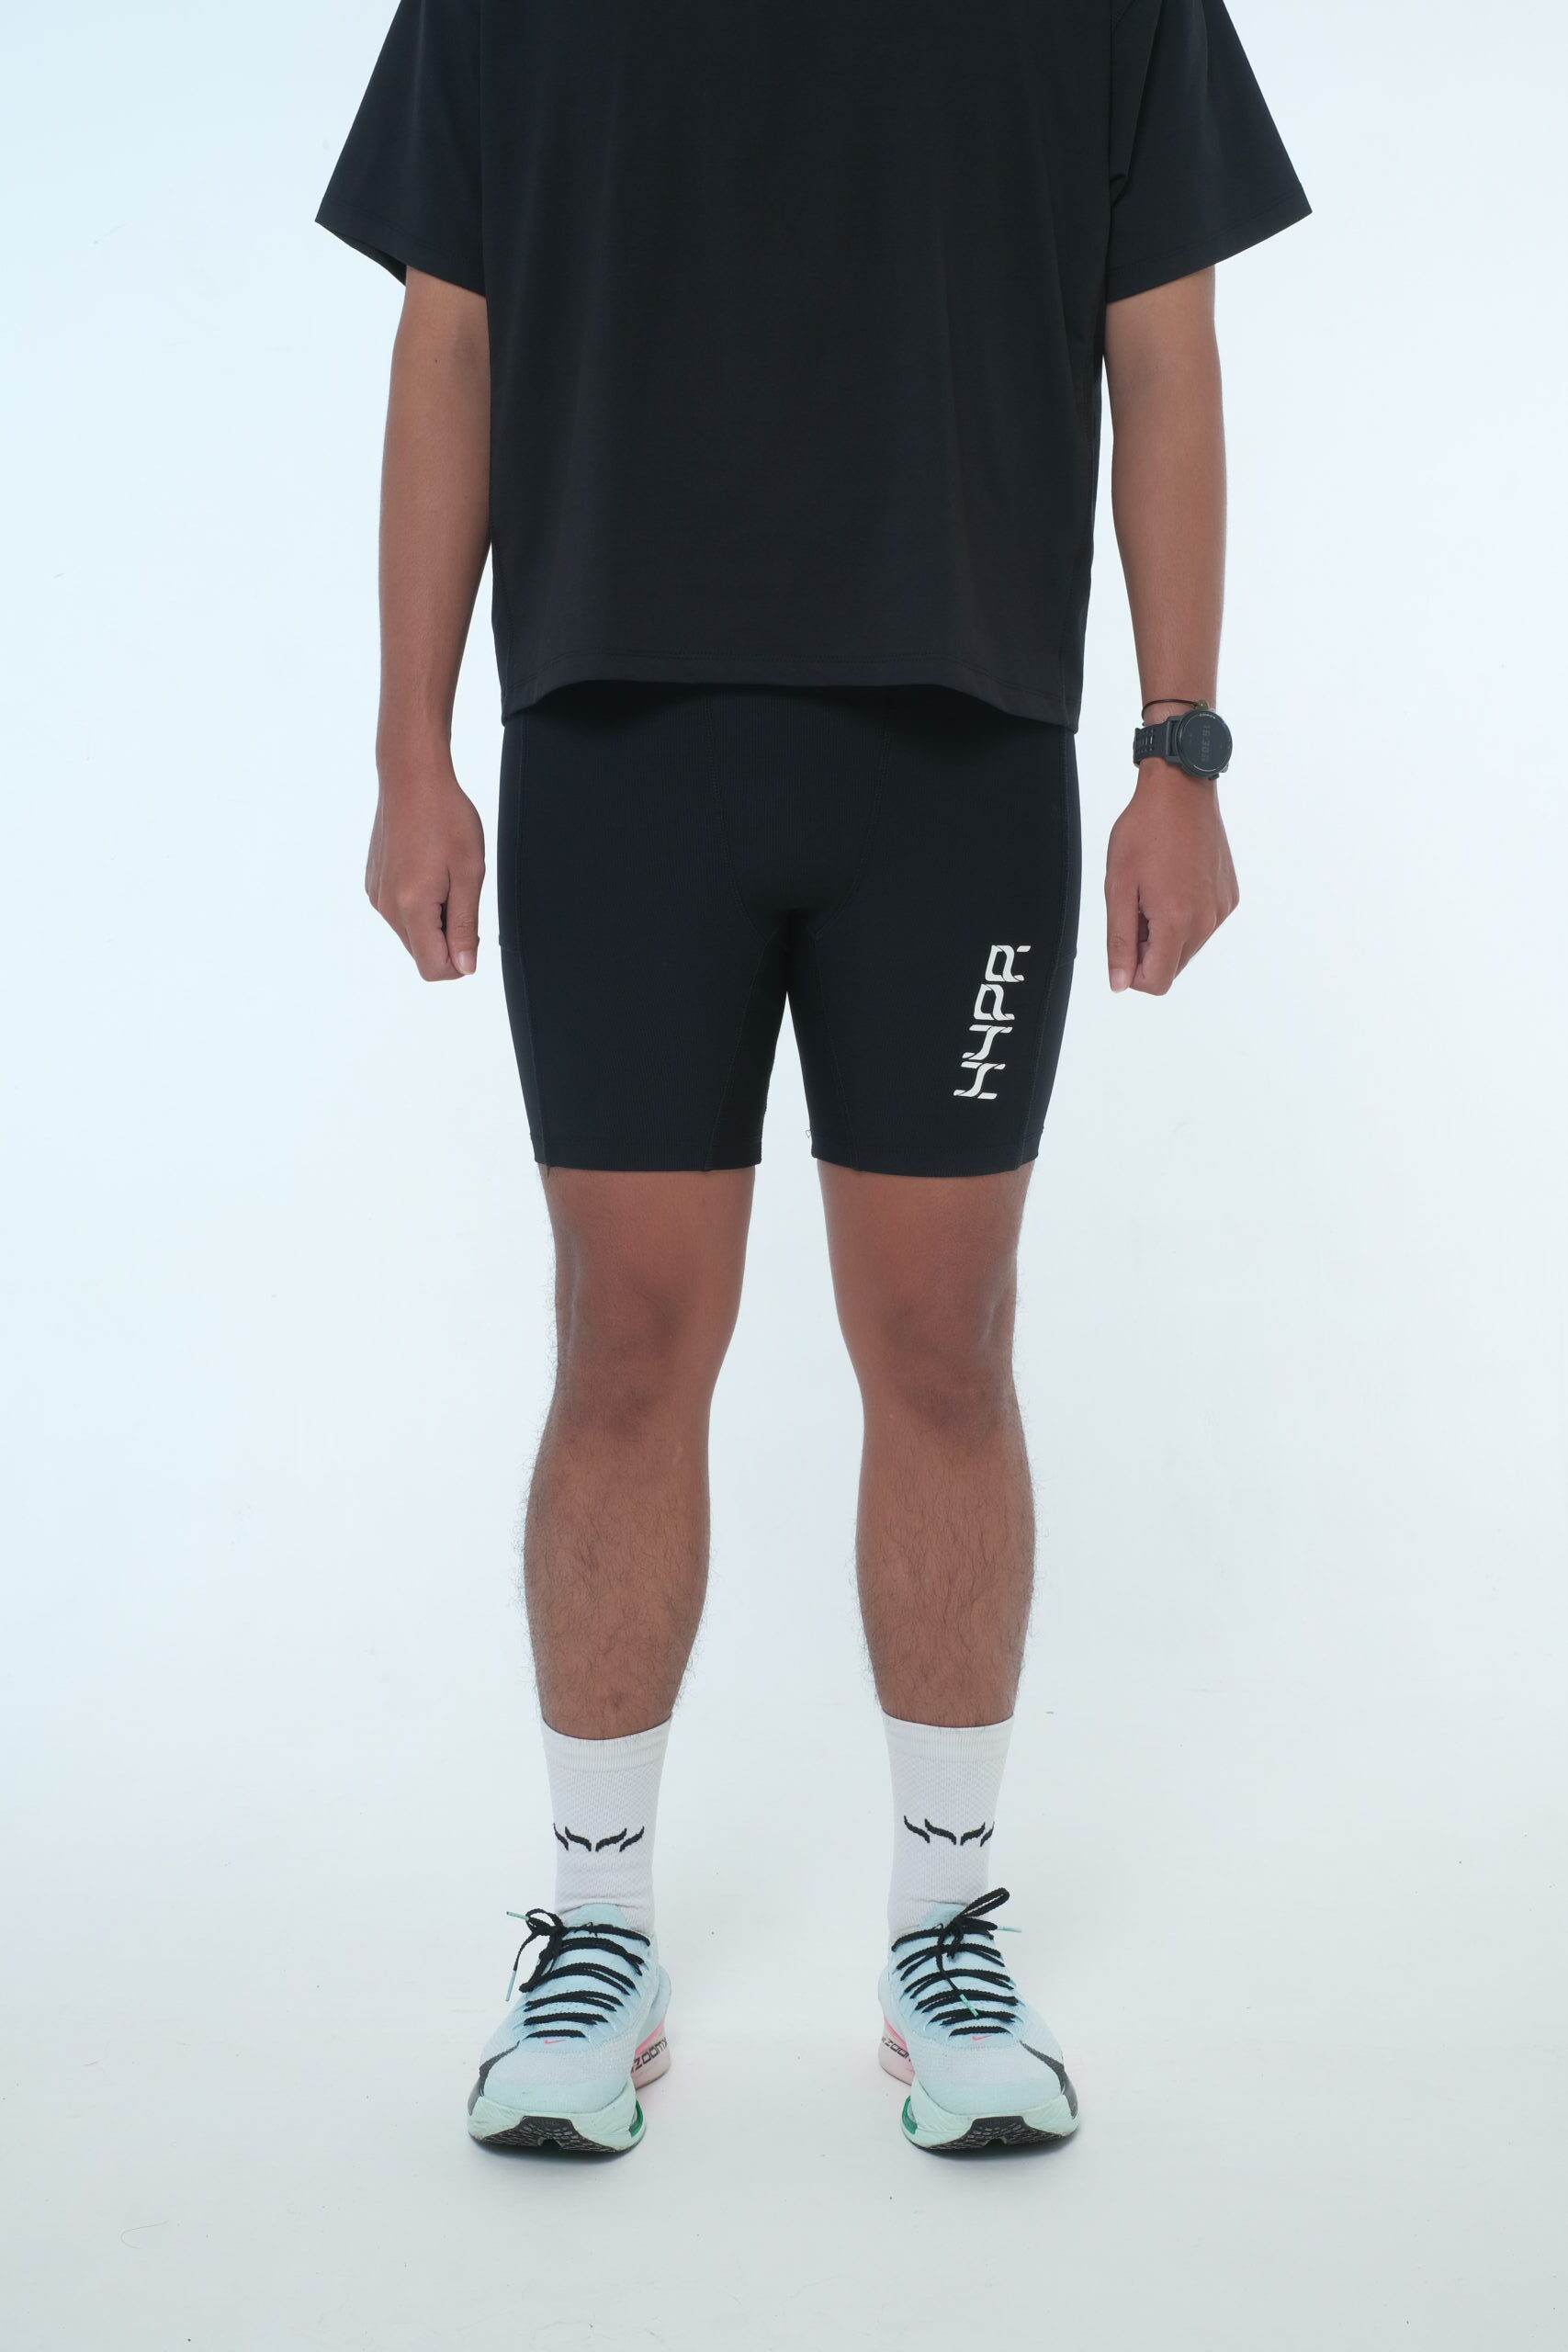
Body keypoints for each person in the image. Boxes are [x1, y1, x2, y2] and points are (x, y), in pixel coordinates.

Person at [317, 0, 1308, 2157]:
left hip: (952, 754)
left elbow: (1161, 343)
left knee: (940, 1339)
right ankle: (595, 1928)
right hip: (618, 747)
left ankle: (944, 1922)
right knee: (624, 1333)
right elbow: (447, 335)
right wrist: (410, 743)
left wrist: (1182, 747)